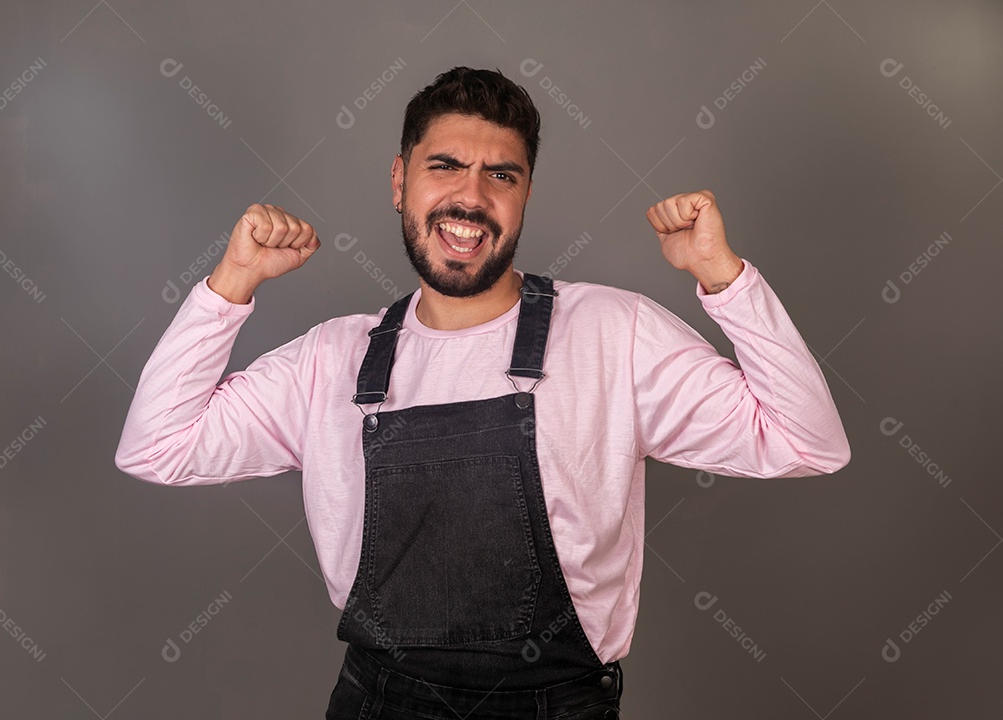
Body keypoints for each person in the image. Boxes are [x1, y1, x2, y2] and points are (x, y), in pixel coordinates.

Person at [116, 66, 850, 719]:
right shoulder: (331, 360)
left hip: (556, 704)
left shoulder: (613, 333)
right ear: (400, 180)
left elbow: (807, 441)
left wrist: (724, 278)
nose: (470, 197)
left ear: (526, 192)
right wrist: (231, 284)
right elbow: (157, 447)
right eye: (445, 167)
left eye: (501, 175)